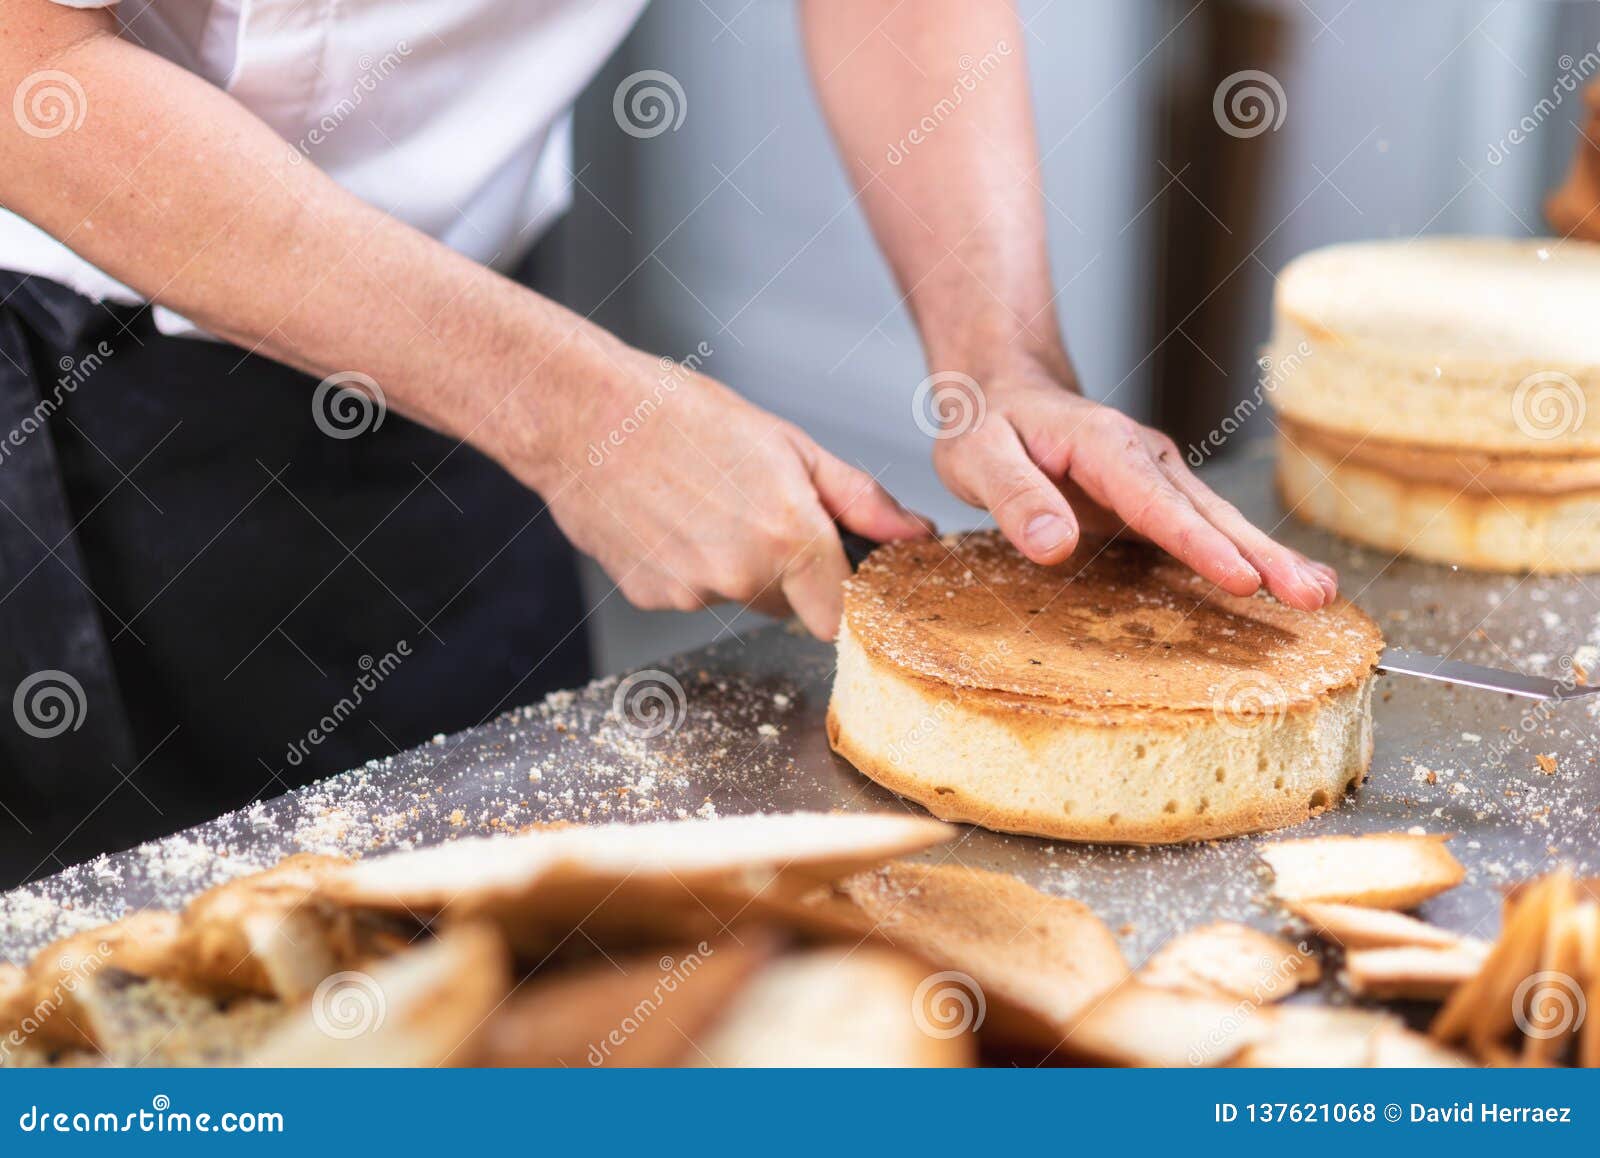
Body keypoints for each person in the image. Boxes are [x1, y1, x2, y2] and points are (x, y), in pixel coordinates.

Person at [0, 0, 1336, 881]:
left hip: (473, 354)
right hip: (80, 387)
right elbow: (27, 63)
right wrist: (575, 412)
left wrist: (1000, 355)